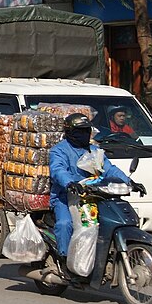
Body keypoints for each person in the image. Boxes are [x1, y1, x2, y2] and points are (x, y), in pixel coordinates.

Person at [49, 113, 130, 263]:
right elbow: (58, 170)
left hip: (94, 196)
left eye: (87, 131)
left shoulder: (94, 150)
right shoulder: (59, 150)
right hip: (66, 197)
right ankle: (63, 259)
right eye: (80, 131)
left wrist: (129, 181)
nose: (84, 135)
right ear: (69, 132)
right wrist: (70, 183)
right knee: (65, 223)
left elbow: (109, 168)